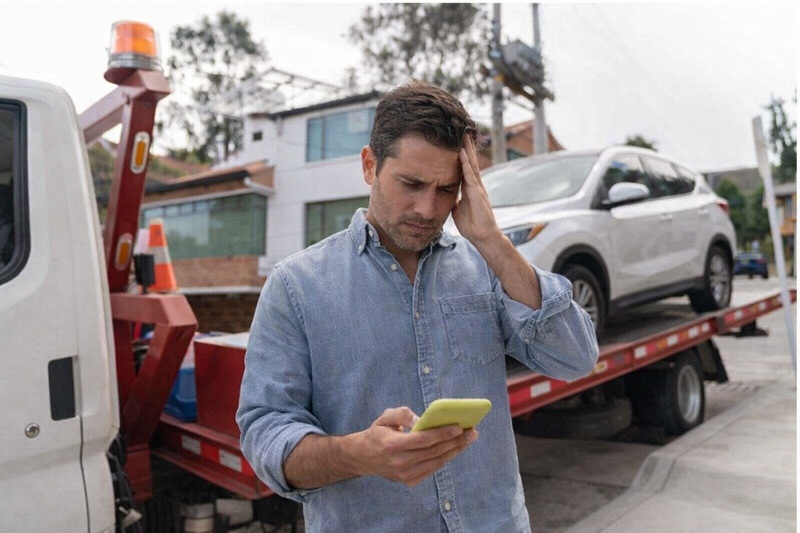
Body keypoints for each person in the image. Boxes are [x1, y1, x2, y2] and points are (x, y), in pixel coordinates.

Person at [237, 80, 599, 532]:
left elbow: (576, 358)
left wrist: (492, 241)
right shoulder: (296, 287)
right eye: (411, 184)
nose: (428, 208)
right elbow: (265, 434)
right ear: (369, 166)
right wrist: (357, 454)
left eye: (447, 189)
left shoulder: (486, 267)